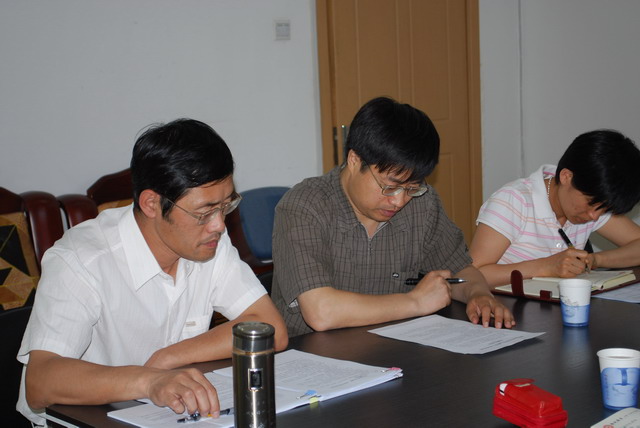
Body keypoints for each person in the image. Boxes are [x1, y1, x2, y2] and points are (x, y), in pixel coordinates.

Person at [17, 119, 288, 425]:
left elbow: (269, 328)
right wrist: (150, 381)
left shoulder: (208, 242)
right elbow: (40, 383)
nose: (219, 225)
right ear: (151, 204)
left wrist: (169, 357)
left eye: (226, 206)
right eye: (204, 212)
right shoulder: (81, 260)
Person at [271, 96, 515, 338]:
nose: (399, 201)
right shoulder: (304, 206)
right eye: (390, 186)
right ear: (354, 160)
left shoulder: (422, 203)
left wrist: (478, 294)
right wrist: (416, 302)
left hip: (395, 345)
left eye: (411, 188)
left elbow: (459, 269)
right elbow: (321, 312)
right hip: (314, 352)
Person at [470, 129, 640, 286]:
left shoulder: (595, 201)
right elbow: (471, 274)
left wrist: (595, 260)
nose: (594, 216)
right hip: (507, 305)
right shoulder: (513, 201)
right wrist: (545, 267)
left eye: (604, 210)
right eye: (590, 203)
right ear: (566, 176)